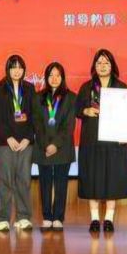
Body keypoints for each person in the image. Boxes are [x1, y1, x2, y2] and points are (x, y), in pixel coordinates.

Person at [76, 48, 127, 233]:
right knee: (92, 177)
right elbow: (76, 110)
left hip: (113, 140)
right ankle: (94, 218)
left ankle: (109, 218)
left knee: (112, 178)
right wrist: (85, 111)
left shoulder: (121, 87)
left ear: (112, 66)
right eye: (99, 63)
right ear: (94, 66)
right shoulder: (86, 87)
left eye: (106, 63)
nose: (102, 66)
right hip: (91, 139)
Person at [0, 54, 35, 232]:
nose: (17, 71)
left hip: (26, 143)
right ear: (8, 69)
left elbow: (34, 116)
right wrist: (8, 137)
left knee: (24, 180)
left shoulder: (30, 89)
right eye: (13, 67)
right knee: (5, 181)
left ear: (24, 69)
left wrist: (27, 138)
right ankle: (1, 218)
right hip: (5, 143)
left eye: (20, 67)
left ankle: (23, 217)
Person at [33, 61, 76, 231]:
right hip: (42, 147)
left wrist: (55, 145)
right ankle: (47, 216)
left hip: (63, 147)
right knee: (44, 183)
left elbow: (69, 126)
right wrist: (46, 145)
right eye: (51, 75)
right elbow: (37, 123)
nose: (54, 78)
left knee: (61, 183)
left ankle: (58, 217)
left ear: (62, 77)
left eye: (58, 75)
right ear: (46, 77)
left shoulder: (71, 97)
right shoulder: (38, 97)